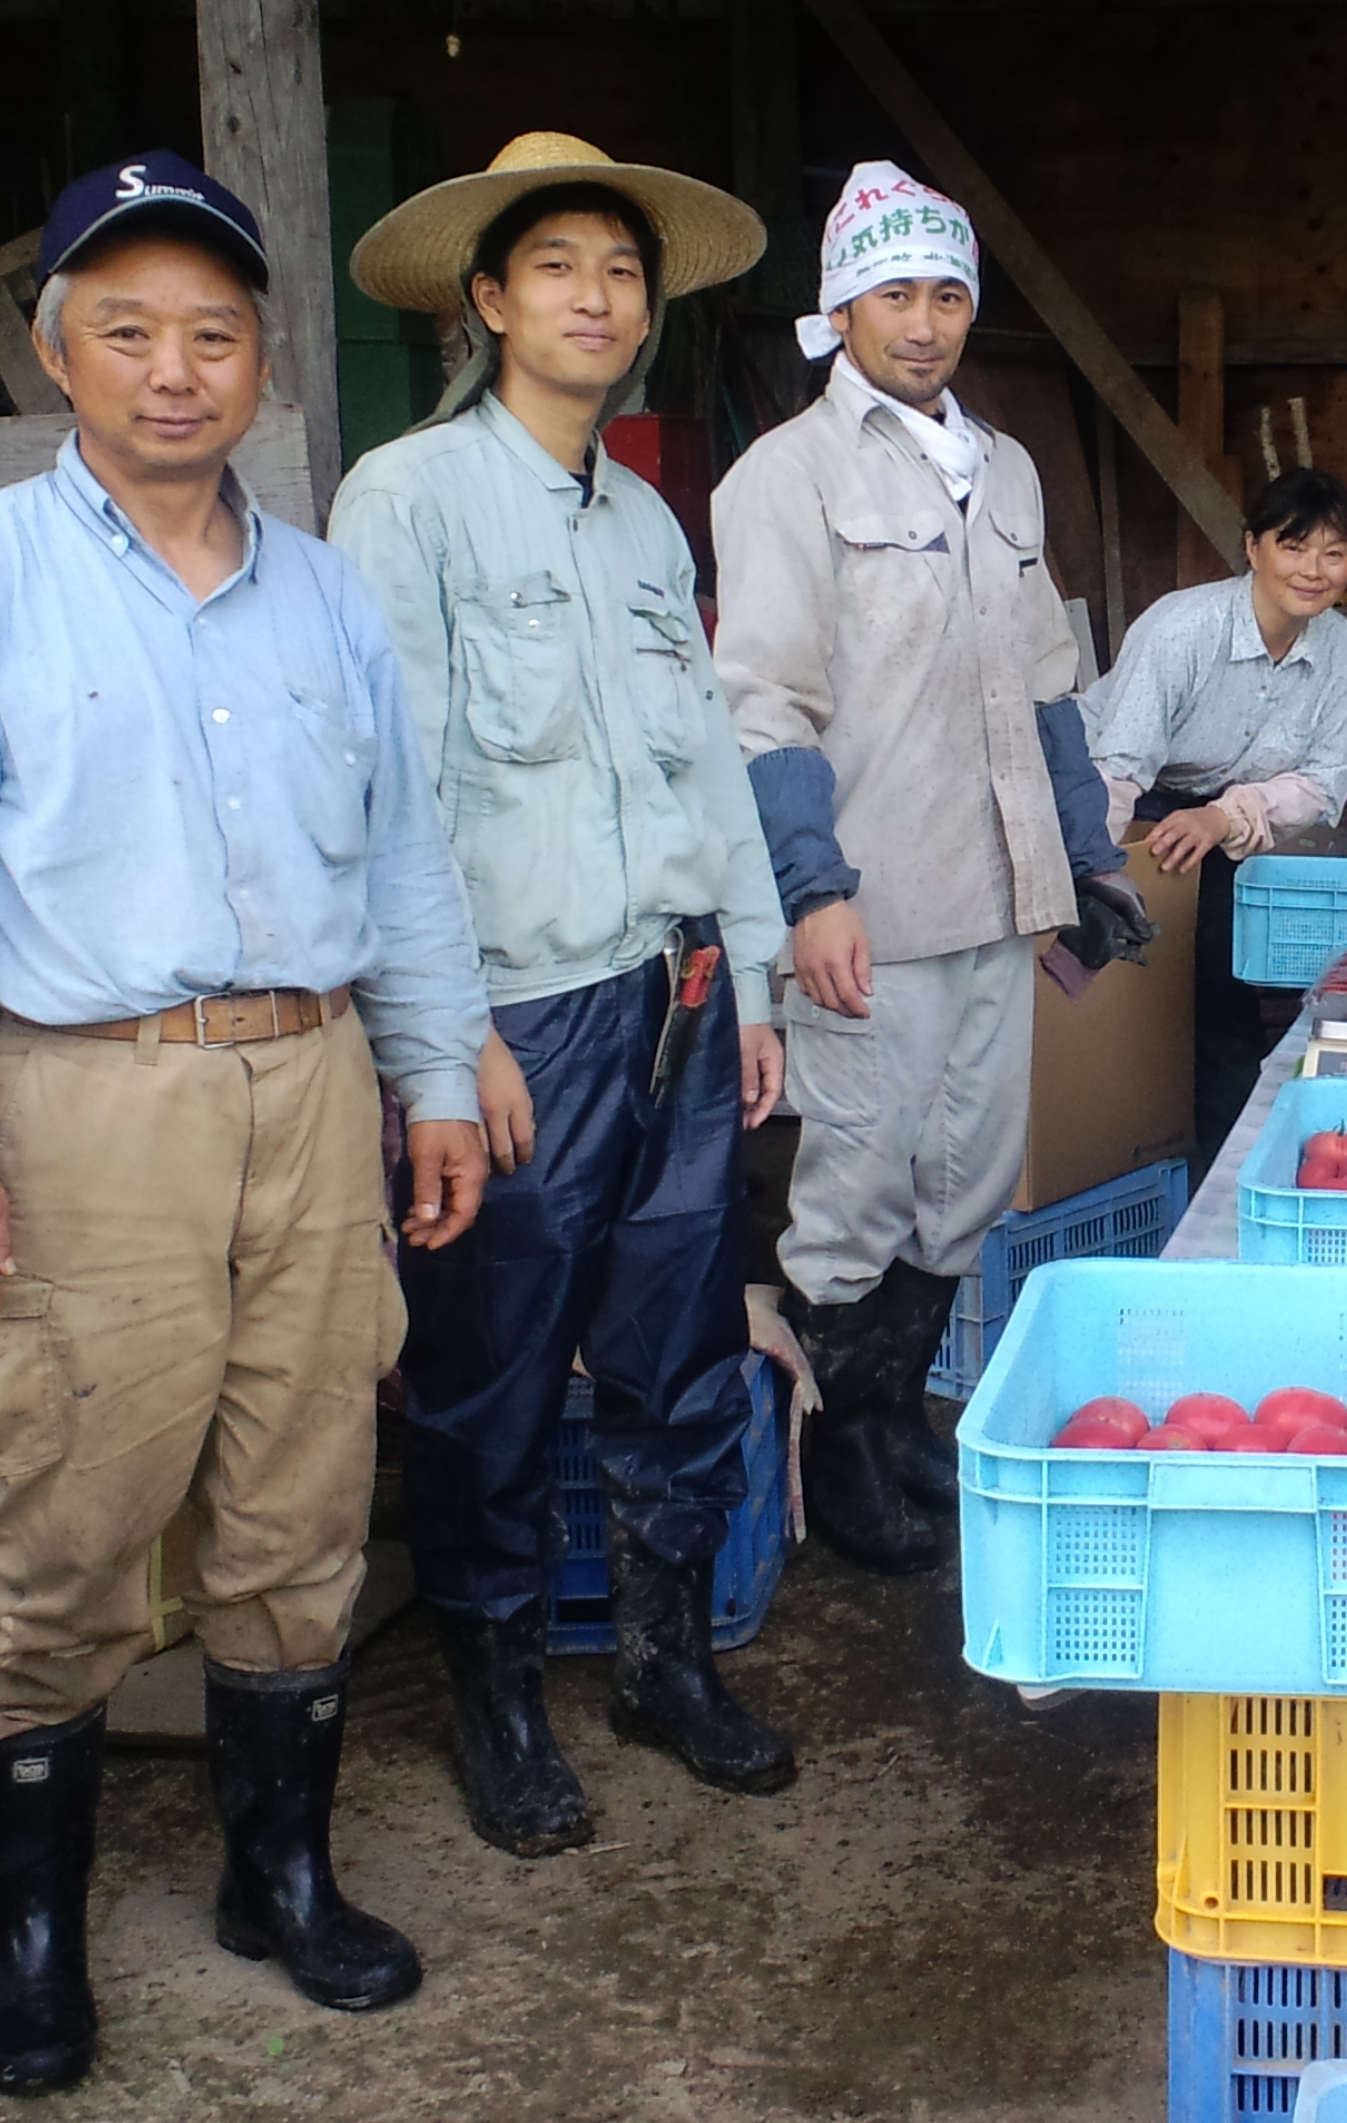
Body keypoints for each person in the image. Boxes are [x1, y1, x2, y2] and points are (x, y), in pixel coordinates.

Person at [0, 155, 495, 2085]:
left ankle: (273, 1874)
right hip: (83, 1093)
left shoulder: (324, 594)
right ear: (58, 355)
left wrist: (435, 1075)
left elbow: (407, 862)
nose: (174, 368)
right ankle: (35, 1927)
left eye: (211, 331)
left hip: (310, 1078)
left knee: (300, 1491)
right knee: (68, 1500)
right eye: (125, 330)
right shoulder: (7, 571)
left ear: (265, 359)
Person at [329, 133, 795, 1861]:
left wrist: (748, 976)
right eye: (559, 268)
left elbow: (712, 774)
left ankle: (666, 1663)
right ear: (486, 299)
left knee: (678, 1347)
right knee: (492, 1372)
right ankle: (500, 1698)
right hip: (520, 1014)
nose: (597, 296)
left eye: (621, 270)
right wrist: (442, 1040)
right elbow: (391, 794)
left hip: (673, 996)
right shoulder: (407, 498)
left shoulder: (646, 516)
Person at [713, 160, 1151, 1576]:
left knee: (964, 1174)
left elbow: (1047, 687)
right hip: (872, 905)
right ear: (841, 307)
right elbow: (763, 703)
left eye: (948, 291)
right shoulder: (786, 476)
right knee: (855, 1180)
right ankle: (837, 1451)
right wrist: (810, 891)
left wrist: (1087, 859)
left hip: (1000, 893)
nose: (925, 318)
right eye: (894, 291)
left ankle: (895, 1417)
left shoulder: (1007, 469)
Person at [1081, 466, 1347, 1169]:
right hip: (1119, 801)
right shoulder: (1184, 630)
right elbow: (1117, 768)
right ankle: (1105, 1147)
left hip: (1231, 819)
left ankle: (1223, 1177)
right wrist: (1087, 867)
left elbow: (1327, 781)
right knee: (1120, 986)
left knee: (1224, 989)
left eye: (1333, 553)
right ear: (1253, 548)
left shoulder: (1340, 647)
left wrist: (1224, 817)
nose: (1313, 571)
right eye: (1293, 546)